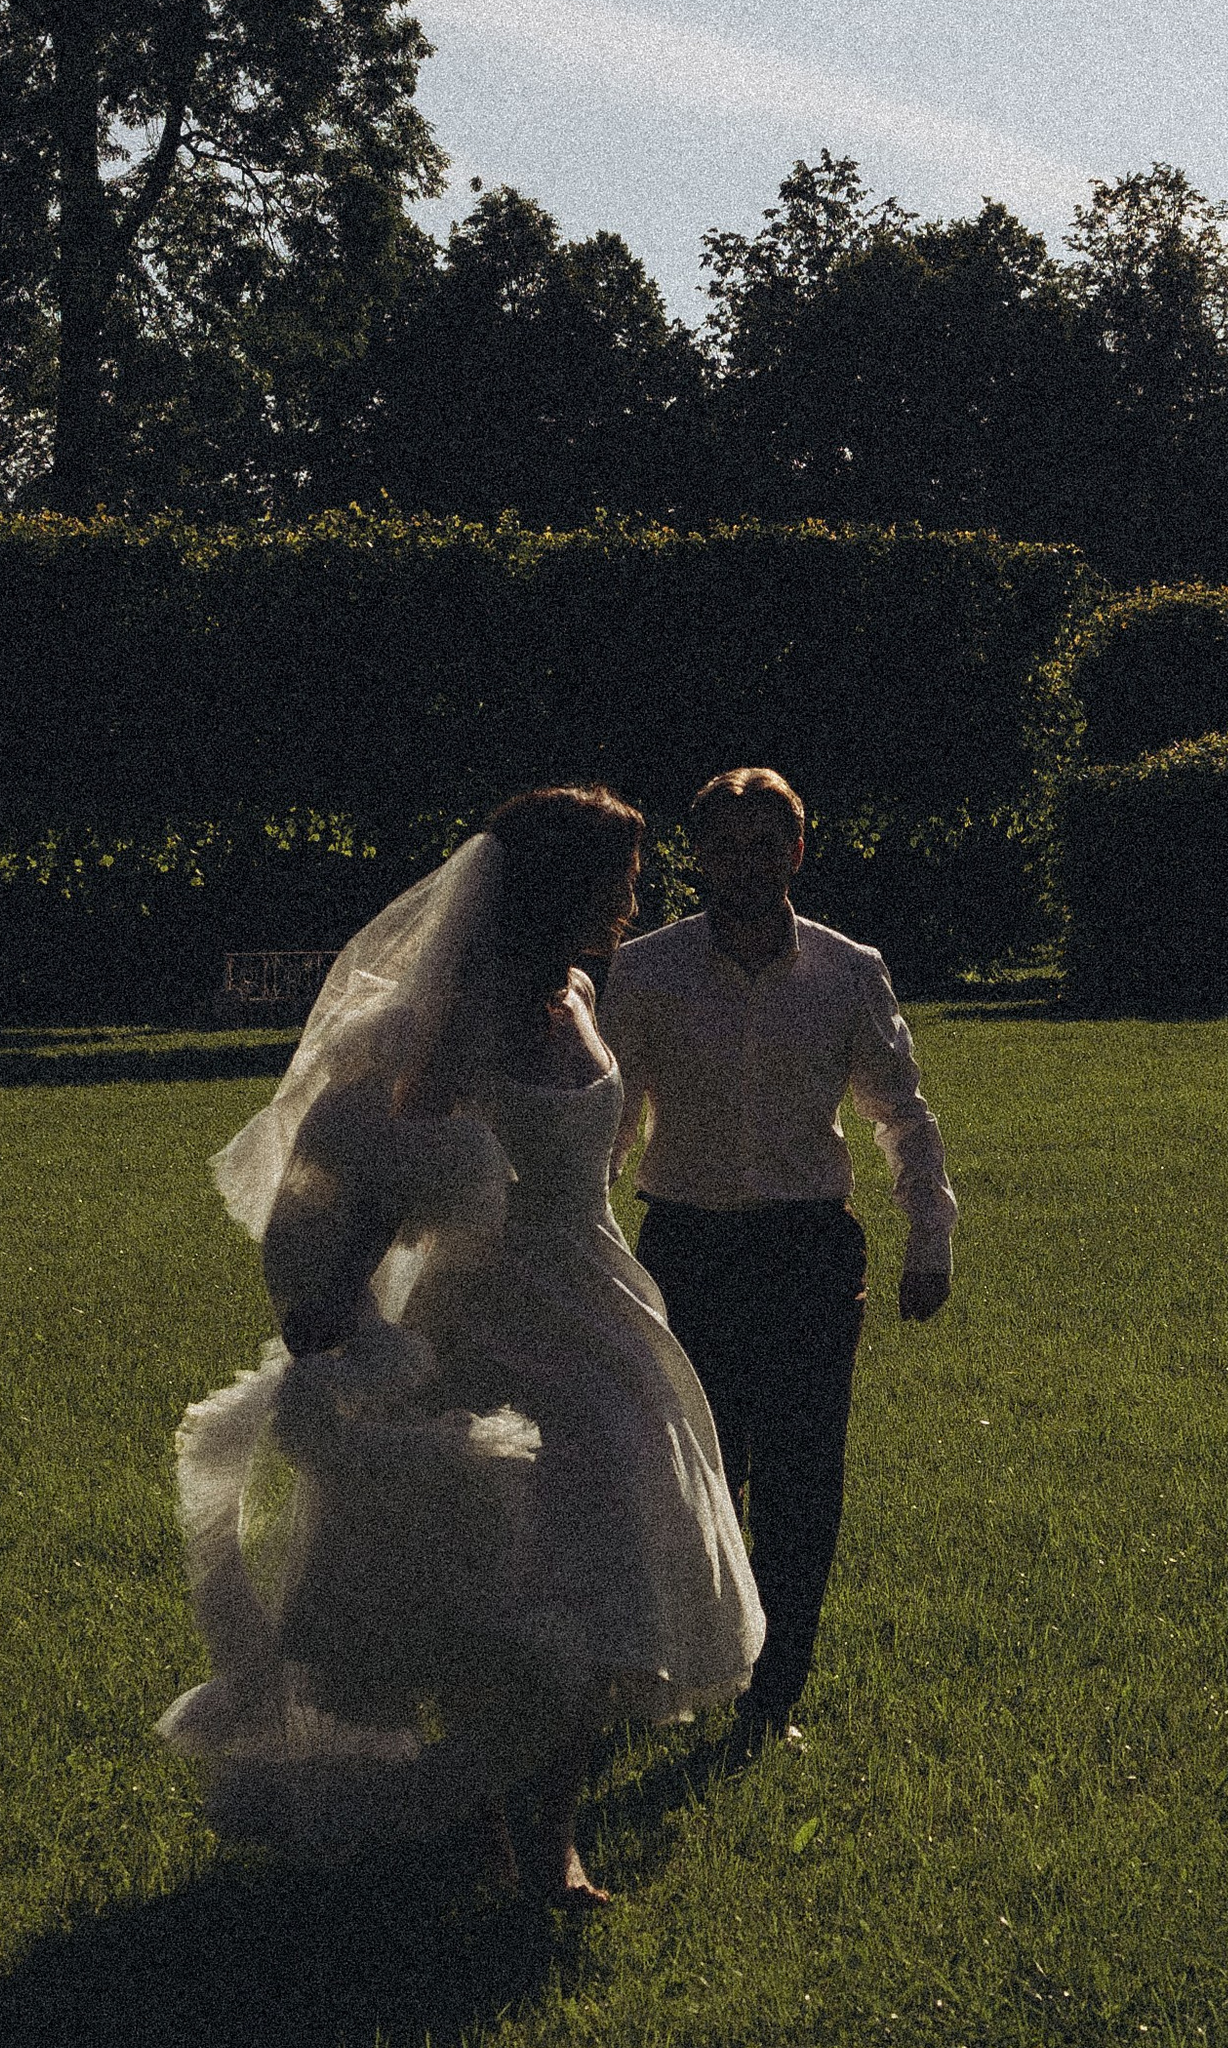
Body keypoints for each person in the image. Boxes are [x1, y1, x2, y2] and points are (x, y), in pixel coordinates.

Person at [157, 788, 764, 1906]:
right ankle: (483, 1837)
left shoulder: (583, 992)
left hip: (602, 1310)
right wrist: (339, 1298)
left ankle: (557, 1839)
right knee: (489, 1592)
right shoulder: (460, 1023)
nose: (636, 899)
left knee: (601, 1581)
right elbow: (390, 1167)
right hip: (489, 1324)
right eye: (618, 879)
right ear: (555, 891)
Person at [603, 766, 955, 1756]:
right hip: (685, 1245)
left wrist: (928, 1237)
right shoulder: (646, 972)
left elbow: (900, 1111)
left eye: (767, 844)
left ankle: (771, 1699)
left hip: (805, 1248)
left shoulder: (849, 971)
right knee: (692, 1475)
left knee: (803, 1480)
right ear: (697, 855)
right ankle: (678, 1669)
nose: (746, 866)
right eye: (725, 846)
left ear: (798, 851)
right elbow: (612, 1120)